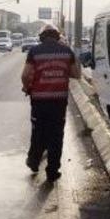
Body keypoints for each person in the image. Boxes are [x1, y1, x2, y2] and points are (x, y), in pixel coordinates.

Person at [22, 24, 80, 182]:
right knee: (56, 135)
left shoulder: (34, 51)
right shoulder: (67, 51)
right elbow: (76, 74)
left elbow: (26, 75)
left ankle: (33, 162)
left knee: (38, 132)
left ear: (41, 37)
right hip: (59, 102)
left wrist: (27, 88)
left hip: (39, 101)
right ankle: (52, 171)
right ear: (57, 36)